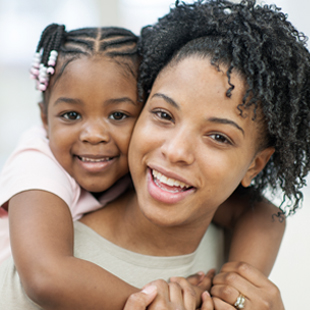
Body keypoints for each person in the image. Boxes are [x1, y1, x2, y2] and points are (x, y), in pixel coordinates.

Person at [1, 0, 305, 307]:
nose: (175, 152)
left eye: (218, 136)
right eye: (163, 115)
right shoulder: (40, 228)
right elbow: (45, 276)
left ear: (255, 165)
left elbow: (266, 215)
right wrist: (149, 301)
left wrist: (239, 290)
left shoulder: (235, 246)